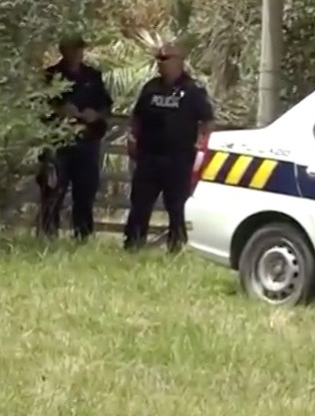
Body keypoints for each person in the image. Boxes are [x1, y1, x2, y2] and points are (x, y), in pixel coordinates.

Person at [123, 41, 215, 253]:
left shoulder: (192, 90)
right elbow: (136, 117)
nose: (160, 63)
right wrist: (131, 138)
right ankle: (133, 244)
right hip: (149, 157)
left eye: (165, 59)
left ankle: (177, 246)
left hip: (179, 159)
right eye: (159, 59)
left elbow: (208, 121)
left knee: (177, 206)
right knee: (140, 204)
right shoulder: (151, 88)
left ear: (179, 62)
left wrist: (202, 146)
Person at [41, 34, 113, 240]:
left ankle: (83, 235)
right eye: (72, 49)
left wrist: (95, 114)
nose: (76, 53)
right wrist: (59, 109)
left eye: (79, 49)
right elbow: (38, 106)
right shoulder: (51, 75)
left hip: (87, 140)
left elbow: (106, 105)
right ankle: (48, 235)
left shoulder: (92, 76)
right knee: (53, 189)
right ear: (63, 50)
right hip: (58, 142)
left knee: (85, 191)